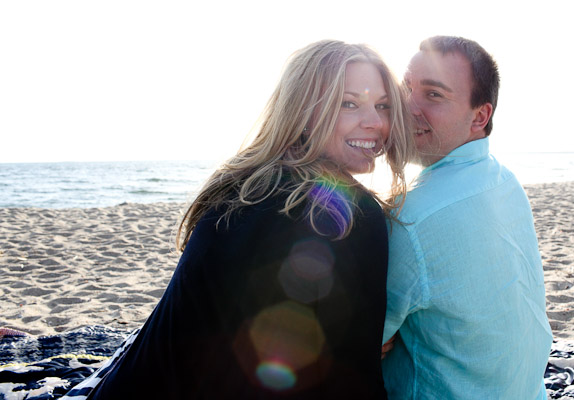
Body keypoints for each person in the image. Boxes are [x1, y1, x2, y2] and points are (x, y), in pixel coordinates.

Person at [78, 40, 412, 399]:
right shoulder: (353, 217)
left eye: (383, 106)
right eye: (349, 104)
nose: (376, 123)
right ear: (305, 110)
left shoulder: (238, 183)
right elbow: (354, 382)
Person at [381, 36, 552, 399]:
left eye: (433, 94)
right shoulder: (504, 180)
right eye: (406, 87)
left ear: (480, 117)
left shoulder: (410, 217)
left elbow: (362, 340)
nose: (405, 106)